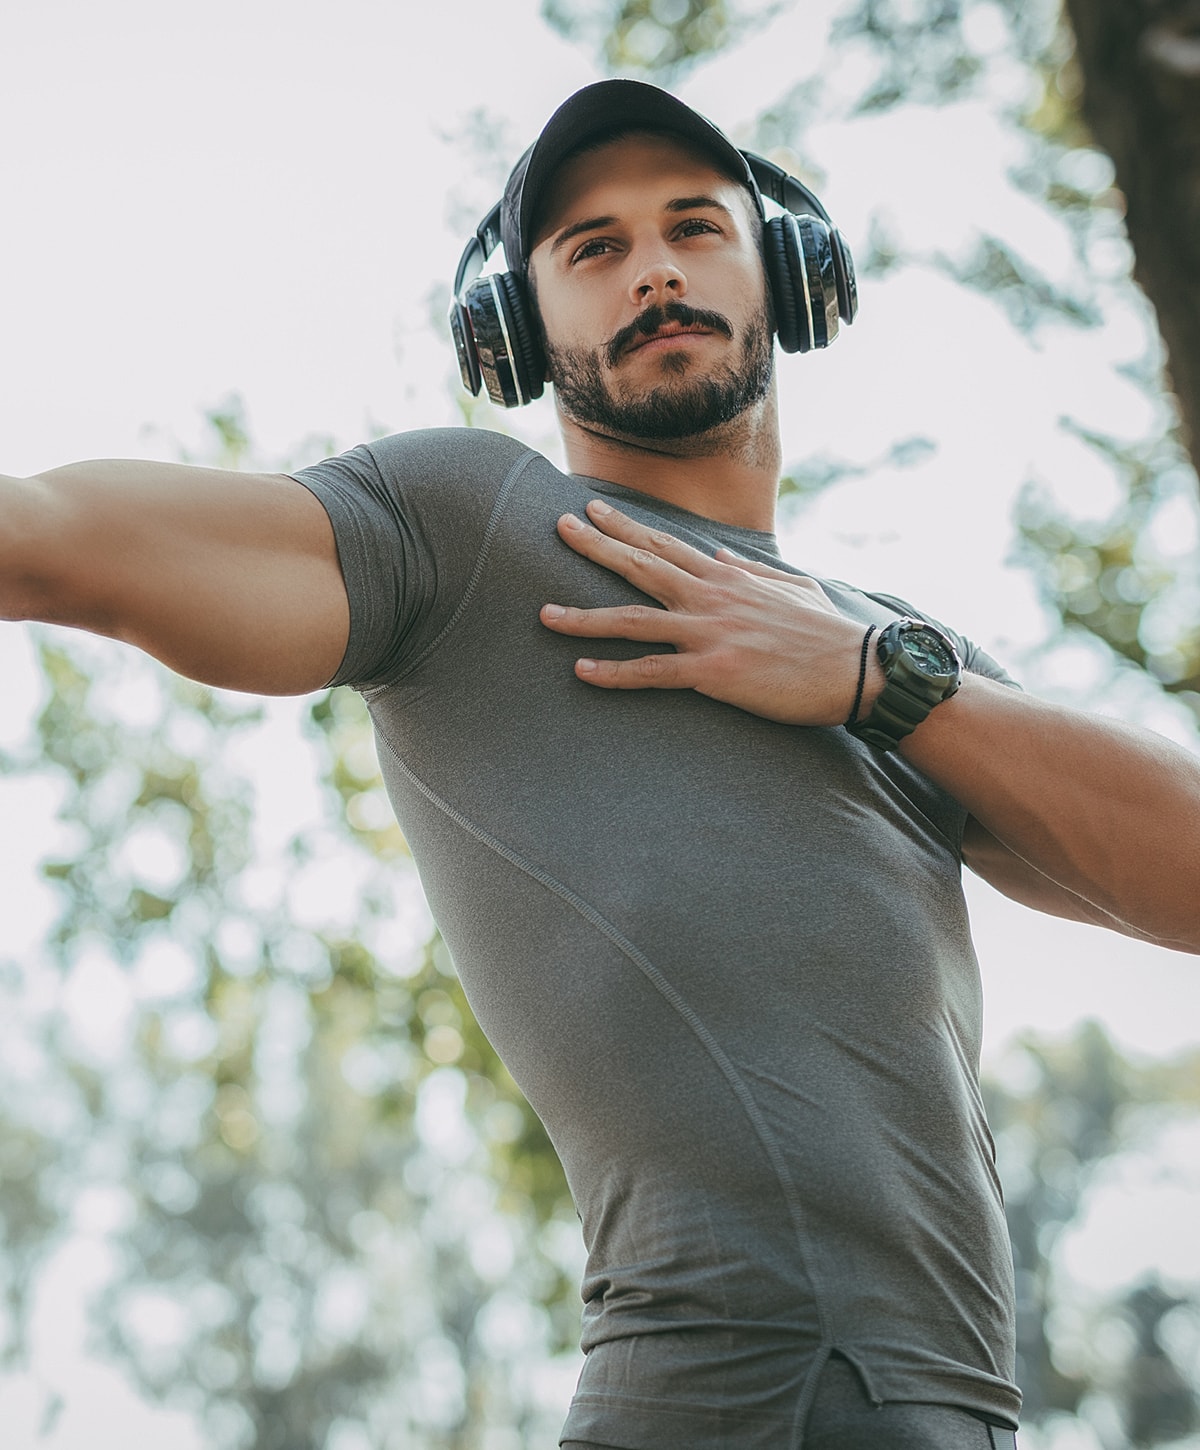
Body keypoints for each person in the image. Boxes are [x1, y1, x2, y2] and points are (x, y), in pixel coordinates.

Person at [2, 77, 1197, 1450]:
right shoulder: (467, 533)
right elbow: (44, 539)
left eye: (695, 226)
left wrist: (877, 678)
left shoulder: (887, 661)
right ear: (515, 331)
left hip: (962, 1409)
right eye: (593, 248)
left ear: (793, 278)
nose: (654, 268)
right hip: (727, 1399)